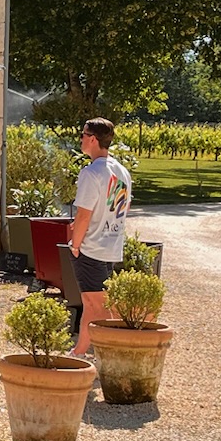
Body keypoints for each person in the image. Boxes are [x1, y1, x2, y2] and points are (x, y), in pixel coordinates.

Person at [67, 116, 132, 355]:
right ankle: (80, 352)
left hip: (91, 247)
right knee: (92, 302)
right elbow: (123, 207)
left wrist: (75, 245)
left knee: (98, 306)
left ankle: (111, 353)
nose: (81, 139)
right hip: (110, 246)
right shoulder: (122, 172)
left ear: (93, 139)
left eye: (83, 135)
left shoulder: (91, 173)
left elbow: (84, 214)